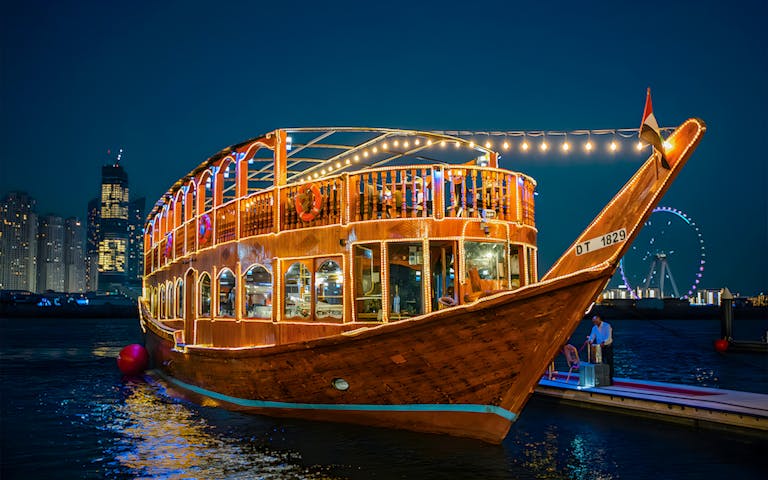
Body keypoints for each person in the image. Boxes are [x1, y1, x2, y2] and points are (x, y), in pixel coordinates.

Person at [587, 314, 613, 383]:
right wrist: (590, 340)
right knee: (600, 362)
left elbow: (609, 337)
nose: (594, 322)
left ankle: (610, 379)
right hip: (599, 348)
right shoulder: (594, 328)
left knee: (609, 363)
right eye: (593, 321)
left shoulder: (607, 326)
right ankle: (602, 378)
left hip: (607, 346)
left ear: (599, 319)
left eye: (595, 320)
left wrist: (603, 343)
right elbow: (592, 336)